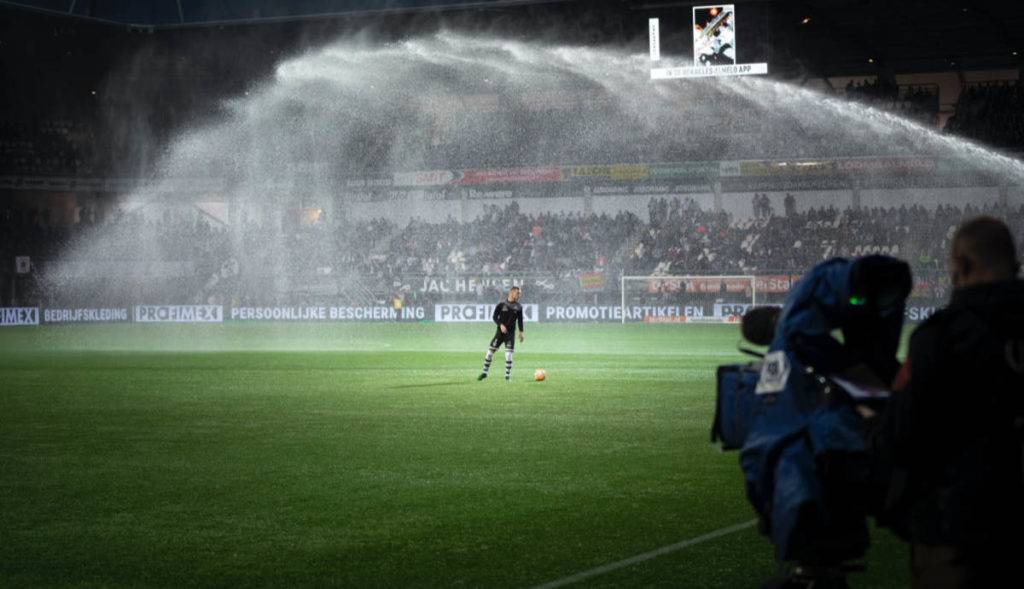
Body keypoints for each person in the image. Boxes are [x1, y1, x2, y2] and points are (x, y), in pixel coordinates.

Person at [875, 216, 1024, 588]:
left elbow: (901, 438)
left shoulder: (940, 337)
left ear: (961, 265)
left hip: (958, 532)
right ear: (1015, 266)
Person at [478, 286, 525, 382]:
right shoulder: (501, 304)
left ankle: (507, 376)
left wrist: (521, 332)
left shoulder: (519, 307)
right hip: (499, 333)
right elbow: (494, 317)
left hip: (510, 334)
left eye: (519, 293)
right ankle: (484, 372)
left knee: (508, 355)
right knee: (489, 352)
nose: (519, 295)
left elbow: (520, 320)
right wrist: (501, 325)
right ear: (511, 293)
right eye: (517, 293)